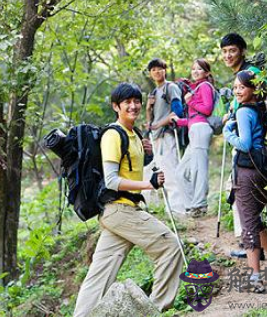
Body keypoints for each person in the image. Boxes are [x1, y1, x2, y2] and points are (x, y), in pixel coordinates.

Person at [73, 83, 184, 317]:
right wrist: (148, 184)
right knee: (170, 247)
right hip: (120, 210)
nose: (133, 106)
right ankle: (155, 309)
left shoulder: (133, 134)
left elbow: (129, 168)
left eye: (136, 101)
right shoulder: (113, 135)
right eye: (127, 103)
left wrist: (148, 157)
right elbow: (112, 180)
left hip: (119, 212)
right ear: (116, 106)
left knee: (99, 275)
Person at [223, 70, 267, 293]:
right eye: (235, 87)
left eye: (241, 87)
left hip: (247, 172)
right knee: (255, 218)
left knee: (248, 224)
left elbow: (245, 144)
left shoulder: (243, 112)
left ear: (252, 89)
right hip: (265, 171)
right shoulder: (262, 106)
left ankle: (255, 278)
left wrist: (227, 133)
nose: (237, 91)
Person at [220, 33, 263, 258]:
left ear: (242, 51)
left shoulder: (250, 74)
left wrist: (229, 125)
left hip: (251, 148)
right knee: (246, 199)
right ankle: (256, 246)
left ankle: (250, 247)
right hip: (254, 147)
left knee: (240, 194)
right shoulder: (242, 75)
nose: (228, 55)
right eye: (224, 51)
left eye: (232, 50)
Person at [170, 58, 215, 218]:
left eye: (199, 69)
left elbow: (207, 109)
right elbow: (193, 118)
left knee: (198, 169)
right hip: (194, 129)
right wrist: (178, 121)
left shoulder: (205, 86)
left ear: (207, 72)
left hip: (201, 130)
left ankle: (200, 205)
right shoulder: (196, 89)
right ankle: (191, 206)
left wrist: (190, 101)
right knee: (180, 172)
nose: (195, 71)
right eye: (193, 69)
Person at [144, 58, 186, 215]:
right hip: (155, 138)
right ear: (150, 73)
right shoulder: (154, 92)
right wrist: (148, 109)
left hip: (167, 135)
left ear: (165, 70)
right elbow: (150, 123)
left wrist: (159, 124)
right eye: (153, 69)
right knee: (152, 173)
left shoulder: (171, 87)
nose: (157, 72)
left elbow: (177, 112)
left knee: (170, 173)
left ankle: (178, 212)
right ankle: (159, 209)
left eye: (159, 69)